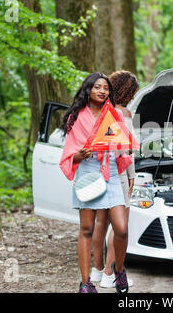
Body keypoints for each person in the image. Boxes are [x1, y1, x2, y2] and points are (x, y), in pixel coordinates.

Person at [59, 72, 132, 293]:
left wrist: (123, 155)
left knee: (121, 228)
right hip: (88, 174)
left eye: (106, 88)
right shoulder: (76, 117)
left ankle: (118, 269)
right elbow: (69, 155)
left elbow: (122, 146)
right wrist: (82, 154)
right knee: (87, 229)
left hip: (109, 171)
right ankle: (85, 283)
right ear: (88, 90)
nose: (102, 91)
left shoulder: (113, 114)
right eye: (97, 87)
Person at [91, 71, 139, 288]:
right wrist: (131, 175)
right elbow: (126, 149)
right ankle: (111, 274)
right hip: (117, 172)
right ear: (127, 91)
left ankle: (97, 271)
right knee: (120, 227)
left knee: (101, 223)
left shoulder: (100, 110)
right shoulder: (123, 113)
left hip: (98, 170)